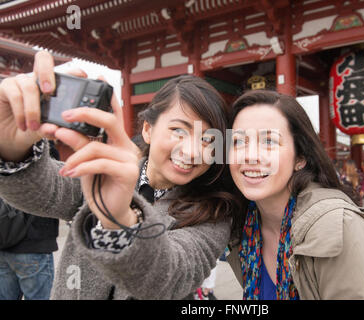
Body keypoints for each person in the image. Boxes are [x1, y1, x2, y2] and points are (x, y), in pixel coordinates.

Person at [0, 51, 239, 299]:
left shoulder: (214, 212)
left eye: (208, 140)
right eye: (178, 130)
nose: (192, 151)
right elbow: (43, 191)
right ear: (148, 130)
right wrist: (10, 148)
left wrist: (120, 219)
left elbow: (171, 276)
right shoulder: (104, 172)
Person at [225, 90, 364, 299]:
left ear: (300, 158)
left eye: (269, 142)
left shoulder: (339, 226)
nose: (251, 156)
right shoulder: (244, 224)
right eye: (238, 142)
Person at [0, 141, 60, 300]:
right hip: (34, 242)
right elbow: (58, 188)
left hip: (3, 242)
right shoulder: (43, 150)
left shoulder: (4, 148)